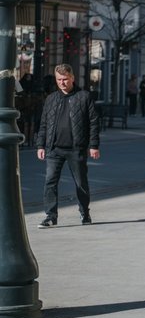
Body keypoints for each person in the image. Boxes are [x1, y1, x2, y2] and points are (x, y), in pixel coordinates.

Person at [36, 64, 101, 227]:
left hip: (76, 148)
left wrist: (93, 145)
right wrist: (40, 145)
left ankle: (85, 213)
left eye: (65, 79)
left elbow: (94, 122)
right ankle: (50, 216)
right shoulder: (51, 99)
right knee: (50, 182)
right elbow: (44, 123)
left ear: (72, 78)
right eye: (59, 80)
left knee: (80, 182)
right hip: (54, 149)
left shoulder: (84, 97)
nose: (62, 82)